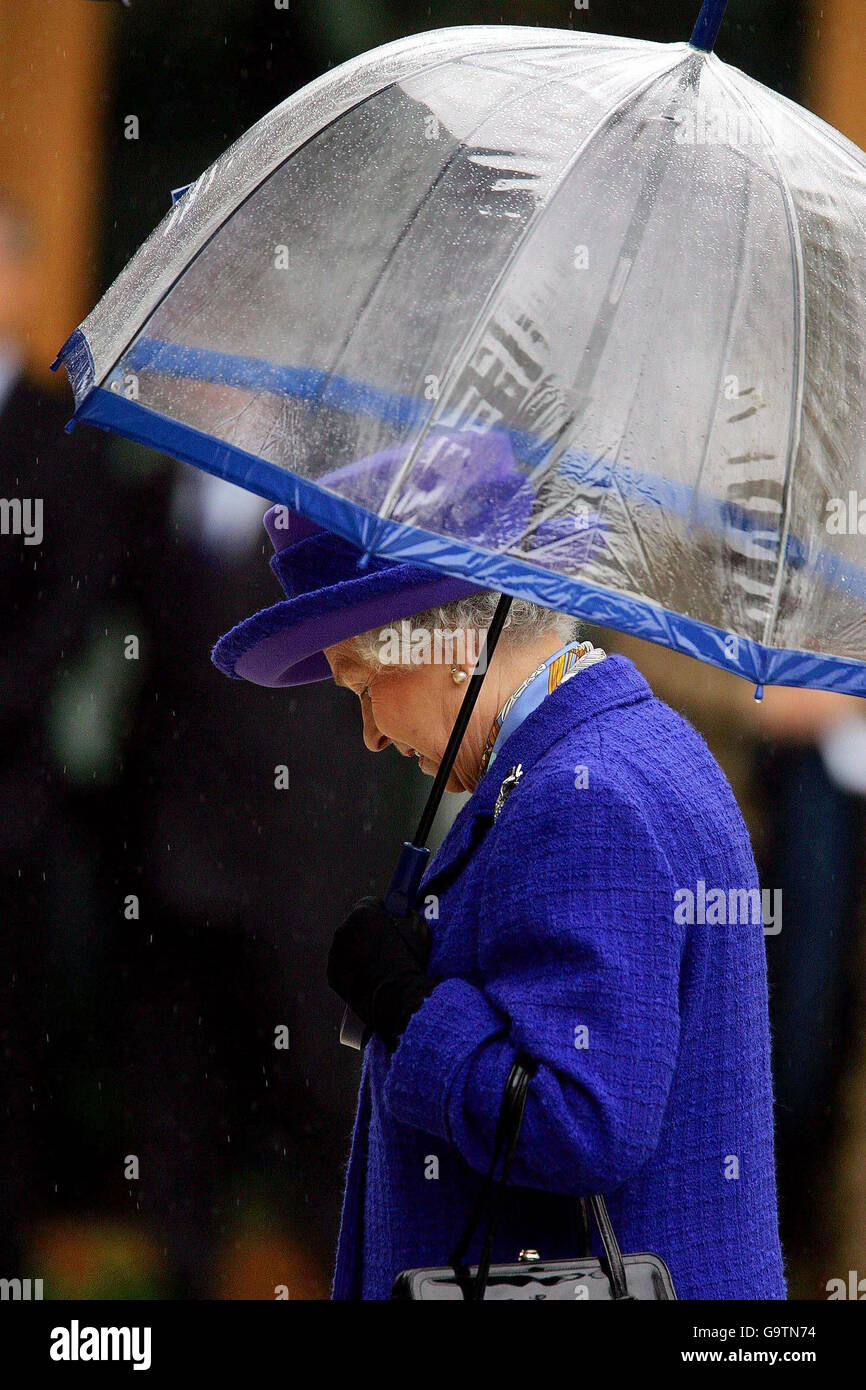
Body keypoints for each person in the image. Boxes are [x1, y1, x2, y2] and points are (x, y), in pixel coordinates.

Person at [212, 482, 787, 1302]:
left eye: (362, 684)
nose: (369, 732)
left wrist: (412, 1008)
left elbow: (578, 1120)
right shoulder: (626, 746)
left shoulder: (587, 792)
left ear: (449, 648)